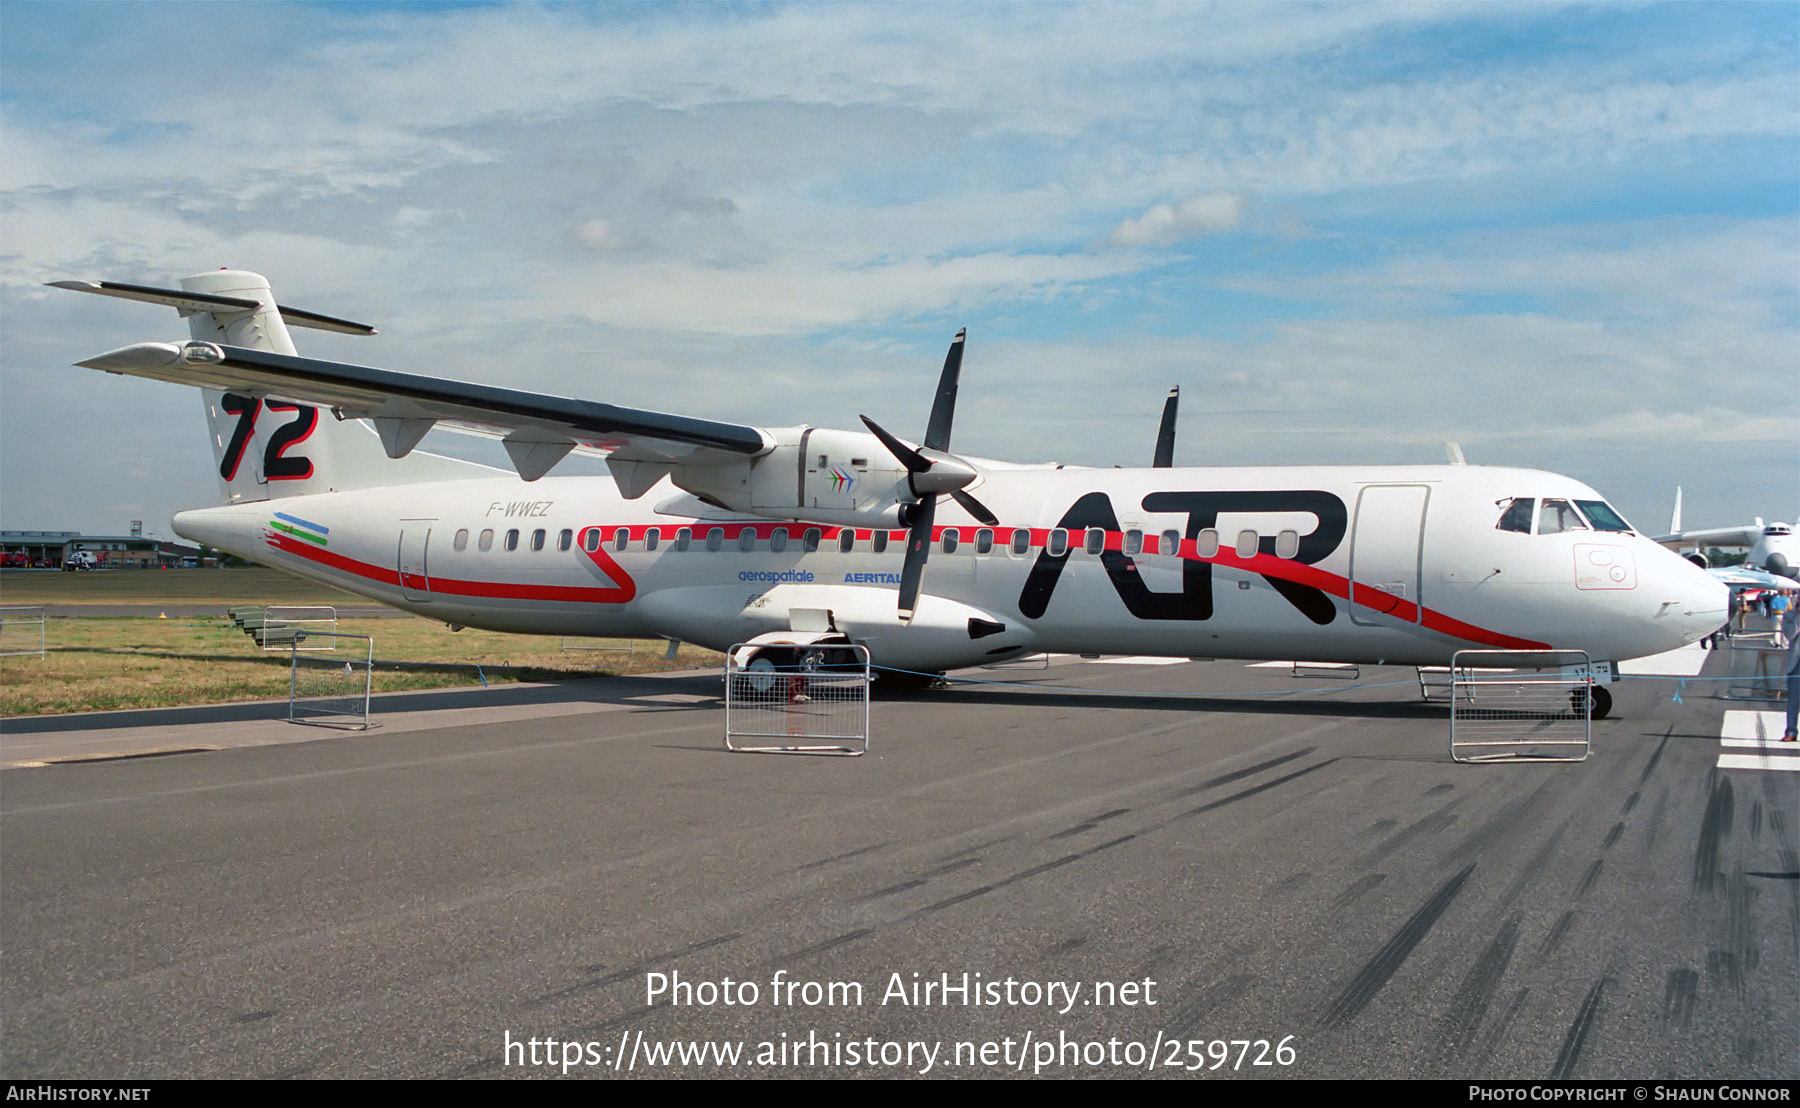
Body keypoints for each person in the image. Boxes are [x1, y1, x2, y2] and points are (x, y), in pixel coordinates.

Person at [1783, 593, 1799, 742]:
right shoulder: (1789, 616)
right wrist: (1798, 619)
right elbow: (1790, 634)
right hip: (1796, 663)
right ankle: (1791, 731)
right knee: (1794, 700)